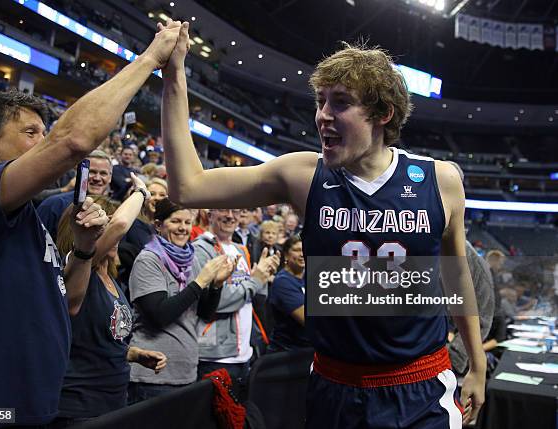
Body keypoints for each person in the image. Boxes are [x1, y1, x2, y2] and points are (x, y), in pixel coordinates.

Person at [160, 23, 485, 427]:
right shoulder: (302, 175)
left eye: (341, 103)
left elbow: (456, 280)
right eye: (320, 101)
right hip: (335, 386)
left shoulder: (440, 180)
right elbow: (187, 188)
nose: (322, 116)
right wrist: (174, 76)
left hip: (419, 388)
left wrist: (477, 364)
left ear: (382, 114)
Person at [0, 21, 183, 427]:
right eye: (30, 132)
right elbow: (72, 141)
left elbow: (70, 302)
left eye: (44, 132)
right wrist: (149, 59)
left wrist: (87, 248)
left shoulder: (28, 218)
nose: (43, 142)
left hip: (34, 409)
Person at [53, 179, 167, 427]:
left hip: (113, 402)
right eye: (101, 228)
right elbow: (120, 224)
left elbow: (94, 339)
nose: (114, 235)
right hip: (77, 408)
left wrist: (133, 353)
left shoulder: (112, 278)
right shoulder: (79, 266)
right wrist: (141, 192)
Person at [128, 198, 235, 402]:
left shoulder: (191, 259)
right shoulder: (148, 260)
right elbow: (161, 315)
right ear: (158, 225)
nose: (183, 228)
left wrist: (216, 285)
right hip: (153, 377)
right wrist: (201, 281)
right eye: (176, 221)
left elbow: (204, 314)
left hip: (185, 371)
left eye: (187, 222)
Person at [193, 208, 280, 398]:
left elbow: (254, 297)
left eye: (236, 211)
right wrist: (256, 281)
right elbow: (216, 300)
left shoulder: (241, 249)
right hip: (215, 355)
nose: (230, 216)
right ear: (210, 215)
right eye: (224, 210)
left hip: (245, 354)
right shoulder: (200, 249)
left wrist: (264, 275)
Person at [37, 150, 113, 239]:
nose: (97, 178)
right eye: (92, 172)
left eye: (103, 173)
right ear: (79, 174)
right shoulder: (54, 205)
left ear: (110, 178)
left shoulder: (115, 209)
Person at [268, 235, 311, 352]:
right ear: (286, 255)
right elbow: (308, 319)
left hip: (308, 348)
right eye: (297, 250)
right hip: (288, 353)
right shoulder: (282, 282)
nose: (302, 254)